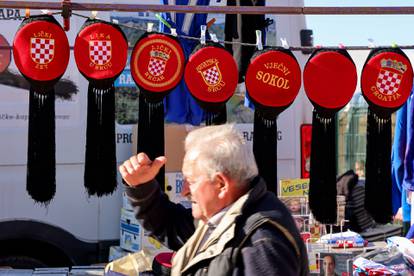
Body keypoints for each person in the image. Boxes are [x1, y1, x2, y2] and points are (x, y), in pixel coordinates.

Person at [119, 124, 309, 275]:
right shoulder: (224, 218)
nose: (185, 191)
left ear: (221, 184)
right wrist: (141, 186)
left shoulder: (261, 241)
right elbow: (170, 225)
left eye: (191, 181)